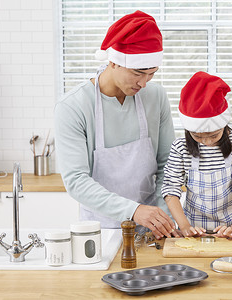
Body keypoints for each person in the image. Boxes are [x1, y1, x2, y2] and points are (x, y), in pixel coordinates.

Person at [54, 11, 178, 239]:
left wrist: (164, 216)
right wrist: (133, 211)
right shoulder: (73, 107)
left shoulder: (156, 97)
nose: (144, 83)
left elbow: (168, 166)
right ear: (113, 61)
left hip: (152, 229)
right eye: (137, 73)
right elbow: (76, 181)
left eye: (151, 74)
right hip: (98, 230)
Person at [161, 71, 232, 239]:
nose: (206, 142)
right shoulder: (180, 147)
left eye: (214, 135)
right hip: (193, 230)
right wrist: (184, 226)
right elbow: (171, 190)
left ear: (224, 125)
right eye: (198, 136)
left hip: (229, 230)